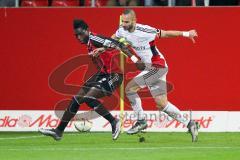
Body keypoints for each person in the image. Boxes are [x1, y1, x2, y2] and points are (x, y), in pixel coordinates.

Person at [39, 19, 145, 141]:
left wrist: (135, 60)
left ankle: (114, 121)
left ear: (87, 30)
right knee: (77, 99)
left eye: (81, 34)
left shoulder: (95, 39)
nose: (79, 37)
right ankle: (58, 131)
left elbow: (118, 44)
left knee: (89, 98)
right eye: (76, 35)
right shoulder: (89, 43)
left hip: (114, 75)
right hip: (102, 74)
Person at [111, 9, 199, 142]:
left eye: (126, 22)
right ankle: (190, 124)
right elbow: (112, 39)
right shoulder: (122, 30)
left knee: (130, 89)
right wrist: (102, 47)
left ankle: (141, 121)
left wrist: (187, 33)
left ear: (134, 21)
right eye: (122, 21)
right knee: (162, 104)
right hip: (151, 69)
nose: (123, 24)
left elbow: (166, 33)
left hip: (158, 67)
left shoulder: (146, 30)